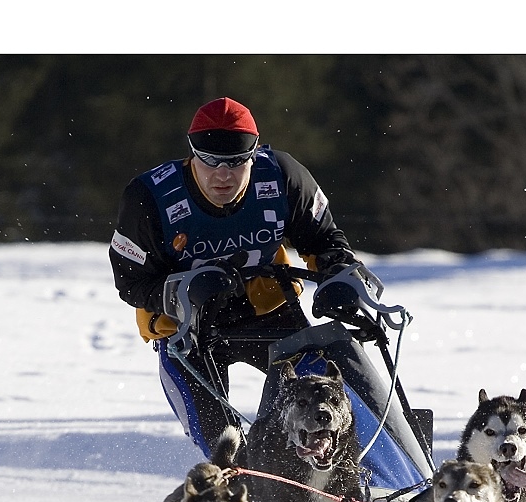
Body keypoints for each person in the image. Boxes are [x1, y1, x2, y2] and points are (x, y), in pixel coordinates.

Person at [109, 96, 369, 459]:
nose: (222, 175)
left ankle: (376, 487)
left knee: (338, 400)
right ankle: (247, 495)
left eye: (236, 162)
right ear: (192, 154)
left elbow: (324, 239)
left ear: (254, 154)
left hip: (267, 312)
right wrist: (185, 290)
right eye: (209, 161)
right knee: (227, 450)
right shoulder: (150, 197)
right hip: (188, 333)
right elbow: (131, 281)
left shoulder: (282, 176)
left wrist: (339, 278)